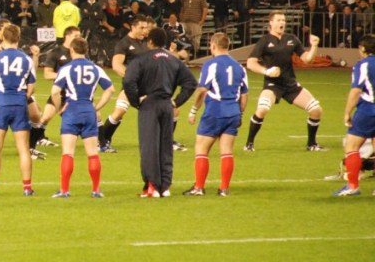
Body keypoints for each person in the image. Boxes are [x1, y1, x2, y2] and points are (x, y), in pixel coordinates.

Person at [123, 28, 197, 197]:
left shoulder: (141, 59)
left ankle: (152, 186)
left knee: (149, 146)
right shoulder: (174, 60)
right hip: (166, 105)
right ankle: (165, 186)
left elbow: (128, 81)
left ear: (150, 41)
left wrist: (136, 101)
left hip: (149, 105)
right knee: (165, 146)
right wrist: (176, 101)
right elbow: (191, 83)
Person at [243, 11, 324, 152]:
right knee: (262, 110)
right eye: (279, 20)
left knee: (316, 110)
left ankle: (311, 144)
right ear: (271, 23)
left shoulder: (291, 39)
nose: (282, 23)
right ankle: (249, 144)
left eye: (283, 20)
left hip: (290, 84)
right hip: (272, 84)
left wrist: (314, 46)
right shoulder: (264, 41)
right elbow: (250, 63)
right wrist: (266, 71)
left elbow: (307, 59)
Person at [184, 33, 248, 197]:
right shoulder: (240, 67)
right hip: (233, 112)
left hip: (215, 111)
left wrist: (193, 110)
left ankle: (199, 187)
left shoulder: (210, 65)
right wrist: (240, 114)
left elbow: (202, 90)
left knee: (201, 148)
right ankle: (224, 188)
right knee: (226, 150)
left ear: (213, 45)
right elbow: (244, 95)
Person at [50, 37, 114, 198]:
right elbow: (110, 90)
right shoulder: (96, 68)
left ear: (71, 50)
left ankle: (64, 190)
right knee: (92, 153)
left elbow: (55, 92)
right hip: (88, 111)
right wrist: (96, 107)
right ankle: (96, 190)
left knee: (68, 153)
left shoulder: (66, 69)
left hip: (71, 111)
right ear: (86, 50)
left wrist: (59, 109)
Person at [0, 24, 37, 197]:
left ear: (3, 37)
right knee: (23, 148)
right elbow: (32, 87)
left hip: (0, 104)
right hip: (19, 104)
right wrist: (22, 99)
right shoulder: (26, 59)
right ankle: (27, 188)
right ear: (19, 38)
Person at [98, 15, 152, 152]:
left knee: (163, 110)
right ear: (133, 27)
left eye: (146, 28)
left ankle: (165, 141)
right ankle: (103, 140)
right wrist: (131, 78)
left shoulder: (145, 43)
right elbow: (116, 65)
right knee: (119, 112)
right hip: (132, 85)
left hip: (147, 85)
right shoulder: (124, 43)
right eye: (141, 28)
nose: (145, 31)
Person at [335, 35, 375, 196]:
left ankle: (352, 186)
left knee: (351, 146)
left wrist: (347, 112)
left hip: (368, 110)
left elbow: (356, 90)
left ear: (363, 49)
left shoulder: (363, 65)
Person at [29, 26, 81, 149]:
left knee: (91, 118)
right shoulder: (56, 52)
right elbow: (47, 74)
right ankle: (32, 144)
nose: (78, 38)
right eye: (76, 36)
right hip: (59, 93)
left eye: (79, 36)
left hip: (76, 94)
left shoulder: (80, 52)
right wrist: (65, 76)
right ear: (67, 36)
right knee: (45, 117)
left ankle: (102, 142)